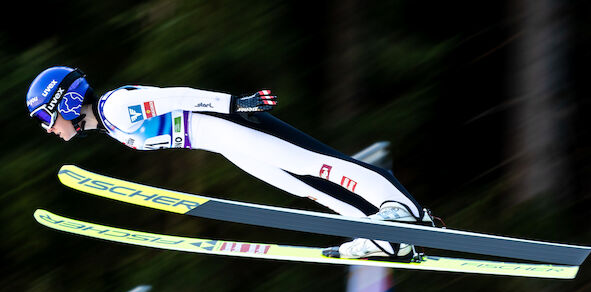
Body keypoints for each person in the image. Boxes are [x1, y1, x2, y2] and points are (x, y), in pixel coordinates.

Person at [26, 66, 433, 259]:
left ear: (67, 102)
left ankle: (408, 213)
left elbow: (178, 95)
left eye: (47, 117)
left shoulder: (117, 107)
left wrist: (234, 105)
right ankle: (381, 235)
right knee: (302, 185)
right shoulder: (110, 126)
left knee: (317, 164)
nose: (48, 128)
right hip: (223, 142)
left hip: (232, 125)